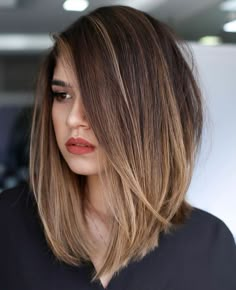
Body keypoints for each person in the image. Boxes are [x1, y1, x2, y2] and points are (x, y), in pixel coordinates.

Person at [0, 5, 235, 290]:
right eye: (62, 95)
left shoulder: (209, 246)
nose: (74, 118)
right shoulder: (9, 226)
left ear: (150, 108)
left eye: (98, 96)